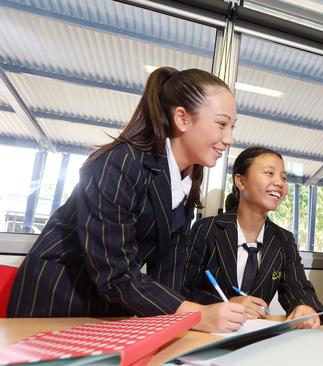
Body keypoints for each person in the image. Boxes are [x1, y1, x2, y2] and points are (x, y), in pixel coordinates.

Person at [8, 67, 246, 333]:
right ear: (182, 118)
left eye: (232, 127)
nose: (229, 139)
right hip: (56, 304)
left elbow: (171, 270)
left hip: (109, 308)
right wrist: (197, 316)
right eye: (222, 124)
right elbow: (115, 273)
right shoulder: (120, 163)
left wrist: (202, 312)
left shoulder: (186, 179)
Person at [183, 146, 323, 328]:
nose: (280, 182)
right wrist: (228, 303)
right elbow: (183, 289)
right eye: (269, 173)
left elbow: (299, 288)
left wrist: (305, 306)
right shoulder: (206, 229)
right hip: (206, 333)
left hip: (257, 337)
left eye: (284, 178)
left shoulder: (283, 240)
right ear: (240, 181)